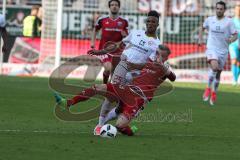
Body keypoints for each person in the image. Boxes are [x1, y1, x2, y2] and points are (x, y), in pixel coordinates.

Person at [54, 45, 175, 136]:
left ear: (166, 57)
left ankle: (129, 131)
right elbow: (136, 66)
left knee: (119, 125)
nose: (158, 56)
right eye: (157, 53)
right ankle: (69, 103)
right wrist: (127, 62)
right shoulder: (149, 63)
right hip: (126, 90)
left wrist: (162, 66)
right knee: (98, 87)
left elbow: (173, 78)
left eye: (161, 55)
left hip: (137, 99)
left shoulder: (165, 68)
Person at [89, 10, 161, 135]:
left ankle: (109, 125)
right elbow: (119, 45)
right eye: (148, 21)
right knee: (111, 95)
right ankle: (100, 126)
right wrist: (101, 52)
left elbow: (150, 66)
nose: (150, 24)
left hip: (135, 77)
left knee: (122, 106)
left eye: (153, 22)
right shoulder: (135, 33)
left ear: (157, 24)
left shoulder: (157, 45)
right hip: (122, 68)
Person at [199, 1, 238, 105]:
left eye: (221, 9)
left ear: (224, 10)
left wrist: (231, 40)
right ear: (215, 9)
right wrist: (199, 39)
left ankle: (214, 92)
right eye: (217, 8)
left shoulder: (229, 22)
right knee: (214, 67)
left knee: (218, 74)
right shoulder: (210, 20)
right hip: (211, 48)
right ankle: (208, 88)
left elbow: (235, 35)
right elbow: (202, 28)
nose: (219, 10)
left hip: (223, 51)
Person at [91, 0, 129, 84]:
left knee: (113, 74)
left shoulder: (124, 22)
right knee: (108, 68)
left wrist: (125, 35)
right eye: (112, 5)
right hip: (104, 50)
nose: (114, 6)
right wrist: (92, 43)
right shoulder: (102, 20)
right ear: (109, 7)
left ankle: (108, 89)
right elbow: (95, 30)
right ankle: (105, 85)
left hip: (117, 52)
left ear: (119, 7)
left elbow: (127, 37)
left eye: (116, 5)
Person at [229, 4, 240, 85]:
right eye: (237, 9)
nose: (238, 11)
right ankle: (234, 80)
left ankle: (236, 79)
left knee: (238, 63)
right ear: (235, 10)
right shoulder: (231, 21)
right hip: (233, 44)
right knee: (234, 60)